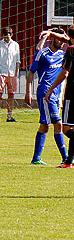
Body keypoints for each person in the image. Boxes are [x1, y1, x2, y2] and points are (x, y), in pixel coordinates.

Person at [24, 27, 68, 165]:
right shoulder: (42, 54)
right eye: (58, 39)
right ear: (52, 39)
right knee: (58, 124)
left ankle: (36, 158)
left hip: (55, 94)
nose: (61, 42)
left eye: (62, 39)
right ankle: (66, 158)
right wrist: (28, 91)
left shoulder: (63, 54)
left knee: (45, 125)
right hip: (45, 93)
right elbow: (31, 73)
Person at [45, 25, 74, 168]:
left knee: (67, 129)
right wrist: (51, 33)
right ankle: (68, 162)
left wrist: (51, 89)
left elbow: (65, 73)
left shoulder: (70, 50)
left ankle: (68, 162)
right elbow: (65, 38)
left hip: (72, 93)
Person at [0, 26, 20, 122]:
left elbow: (17, 61)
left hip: (12, 74)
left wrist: (16, 73)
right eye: (5, 36)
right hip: (2, 73)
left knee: (11, 95)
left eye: (8, 36)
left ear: (11, 35)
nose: (6, 38)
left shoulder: (16, 45)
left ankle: (9, 116)